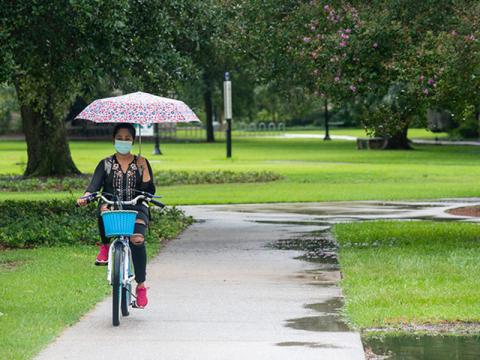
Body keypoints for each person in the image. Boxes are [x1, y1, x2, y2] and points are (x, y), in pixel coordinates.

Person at [77, 123, 155, 308]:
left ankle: (141, 286)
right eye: (120, 138)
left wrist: (144, 170)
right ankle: (105, 246)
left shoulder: (142, 162)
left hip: (136, 206)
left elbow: (149, 191)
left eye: (128, 139)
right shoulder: (105, 164)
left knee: (137, 239)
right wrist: (85, 197)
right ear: (113, 139)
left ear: (133, 141)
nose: (123, 141)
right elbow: (93, 187)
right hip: (112, 205)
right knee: (103, 206)